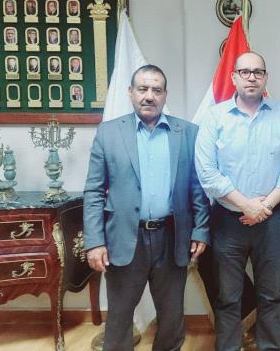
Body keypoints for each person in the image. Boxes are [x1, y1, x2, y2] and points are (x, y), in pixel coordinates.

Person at [84, 64, 209, 351]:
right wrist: (94, 242)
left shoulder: (188, 133)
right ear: (130, 92)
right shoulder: (109, 133)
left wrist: (201, 229)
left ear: (165, 95)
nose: (149, 96)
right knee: (119, 318)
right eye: (143, 89)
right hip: (125, 238)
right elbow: (93, 191)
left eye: (156, 90)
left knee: (172, 317)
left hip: (172, 237)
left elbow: (198, 187)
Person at [195, 51, 280, 351]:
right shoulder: (215, 117)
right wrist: (246, 205)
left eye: (258, 72)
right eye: (245, 72)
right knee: (228, 297)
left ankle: (269, 346)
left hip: (271, 220)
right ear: (234, 78)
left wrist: (264, 206)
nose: (252, 77)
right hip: (228, 222)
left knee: (270, 295)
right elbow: (207, 172)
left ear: (266, 77)